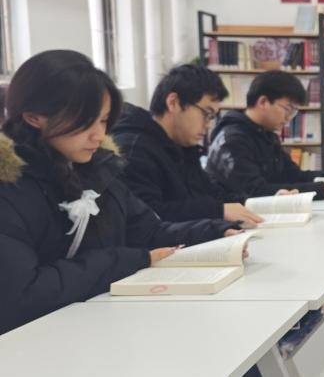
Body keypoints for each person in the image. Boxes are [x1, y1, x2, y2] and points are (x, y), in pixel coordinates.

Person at [0, 51, 240, 335]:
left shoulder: (96, 169)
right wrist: (127, 260)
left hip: (101, 326)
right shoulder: (10, 187)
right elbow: (23, 296)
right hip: (36, 343)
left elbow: (147, 232)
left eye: (103, 121)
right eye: (85, 121)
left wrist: (216, 232)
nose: (99, 135)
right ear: (34, 117)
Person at [113, 64, 263, 226]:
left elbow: (211, 193)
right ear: (174, 103)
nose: (208, 125)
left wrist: (255, 204)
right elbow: (149, 216)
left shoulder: (183, 145)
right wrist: (217, 211)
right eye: (206, 113)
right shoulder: (133, 149)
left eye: (212, 117)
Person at [205, 70, 324, 200]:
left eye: (294, 112)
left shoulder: (265, 133)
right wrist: (323, 190)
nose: (289, 118)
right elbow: (255, 191)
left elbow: (293, 176)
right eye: (288, 109)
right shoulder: (232, 139)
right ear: (263, 102)